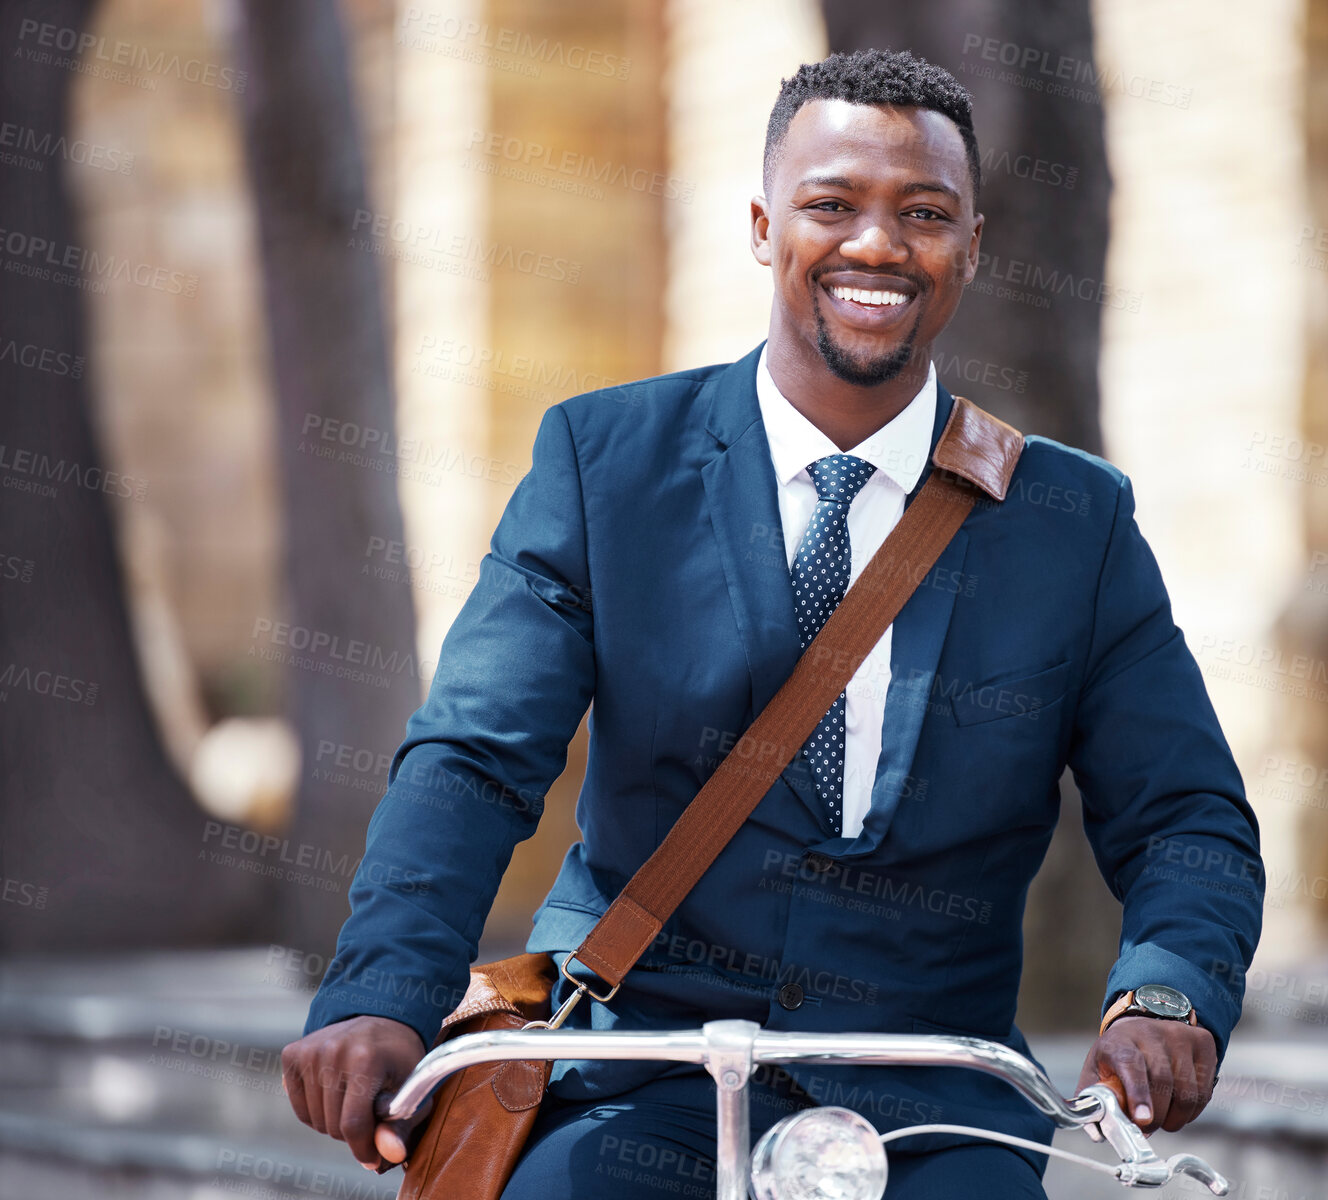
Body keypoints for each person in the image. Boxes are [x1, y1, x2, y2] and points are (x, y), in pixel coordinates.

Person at [281, 48, 1263, 1199]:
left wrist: (1164, 996)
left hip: (931, 1098)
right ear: (762, 225)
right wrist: (378, 993)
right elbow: (473, 758)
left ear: (974, 246)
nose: (878, 245)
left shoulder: (1071, 519)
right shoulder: (605, 463)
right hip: (639, 1066)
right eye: (831, 205)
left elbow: (1186, 813)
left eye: (924, 213)